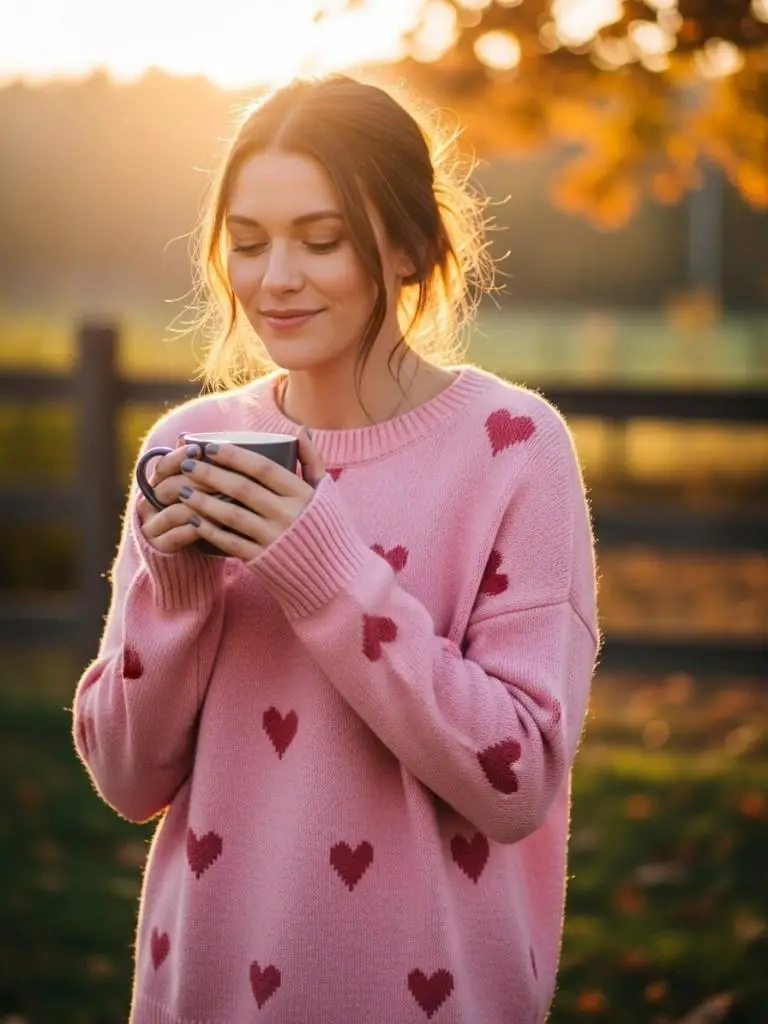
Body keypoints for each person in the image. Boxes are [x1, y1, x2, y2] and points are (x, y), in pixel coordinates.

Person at [72, 73, 598, 1024]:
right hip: (208, 988)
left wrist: (324, 568)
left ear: (407, 246)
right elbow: (125, 776)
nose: (275, 277)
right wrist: (178, 591)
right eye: (247, 242)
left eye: (321, 240)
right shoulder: (187, 445)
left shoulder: (514, 449)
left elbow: (515, 782)